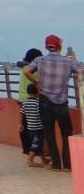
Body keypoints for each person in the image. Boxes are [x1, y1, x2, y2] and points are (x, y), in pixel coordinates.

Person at [24, 34, 84, 172]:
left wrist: (36, 83)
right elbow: (81, 70)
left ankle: (56, 164)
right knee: (66, 132)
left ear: (47, 47)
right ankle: (67, 164)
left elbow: (27, 71)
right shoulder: (68, 62)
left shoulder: (39, 60)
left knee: (49, 133)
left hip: (44, 100)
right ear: (60, 46)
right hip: (61, 102)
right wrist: (74, 58)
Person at [16, 48, 43, 155]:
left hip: (22, 99)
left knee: (24, 125)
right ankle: (34, 149)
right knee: (35, 126)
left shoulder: (23, 67)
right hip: (31, 98)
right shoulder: (33, 69)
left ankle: (26, 148)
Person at [20, 83, 45, 167]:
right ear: (37, 92)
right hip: (38, 128)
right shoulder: (37, 103)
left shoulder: (25, 103)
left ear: (27, 92)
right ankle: (30, 160)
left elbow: (21, 113)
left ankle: (44, 159)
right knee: (35, 145)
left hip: (30, 127)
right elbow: (40, 114)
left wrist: (20, 123)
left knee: (38, 143)